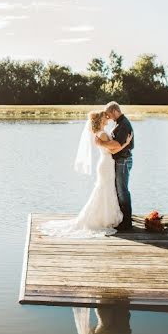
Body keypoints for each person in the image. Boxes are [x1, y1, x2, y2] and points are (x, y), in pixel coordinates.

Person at [40, 109, 132, 238]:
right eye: (106, 117)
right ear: (101, 120)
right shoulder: (103, 135)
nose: (108, 119)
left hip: (105, 164)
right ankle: (104, 217)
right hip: (106, 164)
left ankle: (104, 216)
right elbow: (113, 151)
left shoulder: (100, 133)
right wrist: (126, 143)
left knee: (105, 189)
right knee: (105, 189)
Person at [102, 102, 134, 231]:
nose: (108, 118)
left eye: (109, 114)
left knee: (122, 190)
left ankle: (127, 222)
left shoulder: (123, 125)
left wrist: (101, 143)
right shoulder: (119, 123)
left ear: (115, 110)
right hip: (120, 160)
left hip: (123, 160)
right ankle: (122, 217)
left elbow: (116, 145)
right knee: (119, 190)